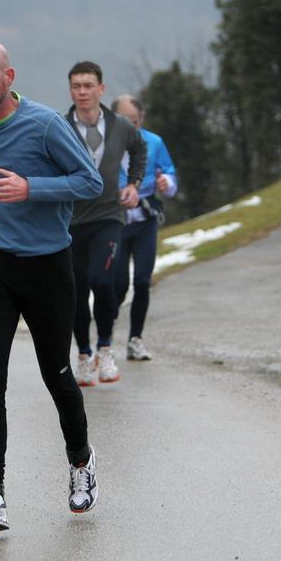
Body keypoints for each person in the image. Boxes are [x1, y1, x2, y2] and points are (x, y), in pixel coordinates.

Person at [0, 41, 103, 532]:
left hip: (48, 267)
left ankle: (80, 461)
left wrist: (32, 188)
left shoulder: (46, 124)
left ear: (8, 77)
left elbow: (89, 182)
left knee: (57, 374)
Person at [65, 61, 147, 387]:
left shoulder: (120, 126)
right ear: (71, 90)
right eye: (76, 86)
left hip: (109, 217)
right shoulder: (60, 127)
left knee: (102, 281)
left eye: (88, 85)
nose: (82, 92)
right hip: (71, 221)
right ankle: (84, 355)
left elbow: (139, 150)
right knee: (76, 291)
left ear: (101, 89)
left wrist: (134, 184)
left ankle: (105, 348)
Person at [111, 94, 177, 361]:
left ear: (142, 119)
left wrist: (166, 184)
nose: (130, 127)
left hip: (145, 221)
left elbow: (170, 175)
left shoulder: (154, 142)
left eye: (134, 122)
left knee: (141, 281)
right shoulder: (104, 145)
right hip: (115, 222)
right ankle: (106, 336)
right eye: (123, 121)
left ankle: (135, 339)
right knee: (117, 285)